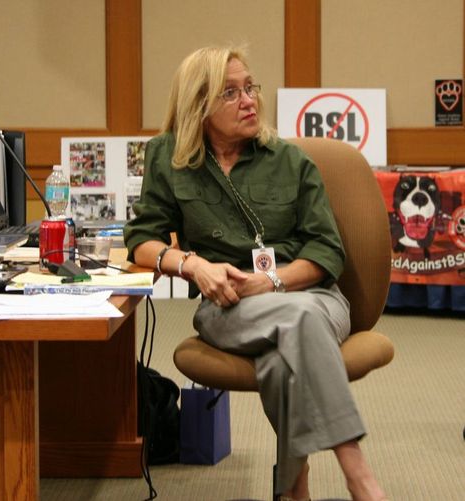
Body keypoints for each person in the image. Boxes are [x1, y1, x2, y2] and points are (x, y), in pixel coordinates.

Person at [124, 46, 387, 501]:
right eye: (231, 93)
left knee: (292, 334)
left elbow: (327, 251)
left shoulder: (290, 161)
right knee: (289, 343)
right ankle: (336, 479)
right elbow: (142, 240)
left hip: (314, 297)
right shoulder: (168, 157)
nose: (249, 100)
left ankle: (319, 481)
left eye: (250, 88)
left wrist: (271, 281)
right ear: (199, 104)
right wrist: (194, 265)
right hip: (229, 306)